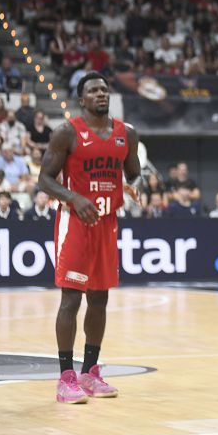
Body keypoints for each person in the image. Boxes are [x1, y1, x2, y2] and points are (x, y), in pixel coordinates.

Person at [38, 72, 140, 405]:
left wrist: (135, 185)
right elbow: (45, 179)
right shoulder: (67, 132)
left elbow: (134, 172)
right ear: (81, 100)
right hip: (76, 223)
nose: (100, 94)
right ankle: (66, 377)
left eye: (104, 89)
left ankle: (90, 371)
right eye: (93, 90)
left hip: (108, 223)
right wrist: (74, 198)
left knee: (100, 300)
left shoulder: (128, 134)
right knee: (71, 300)